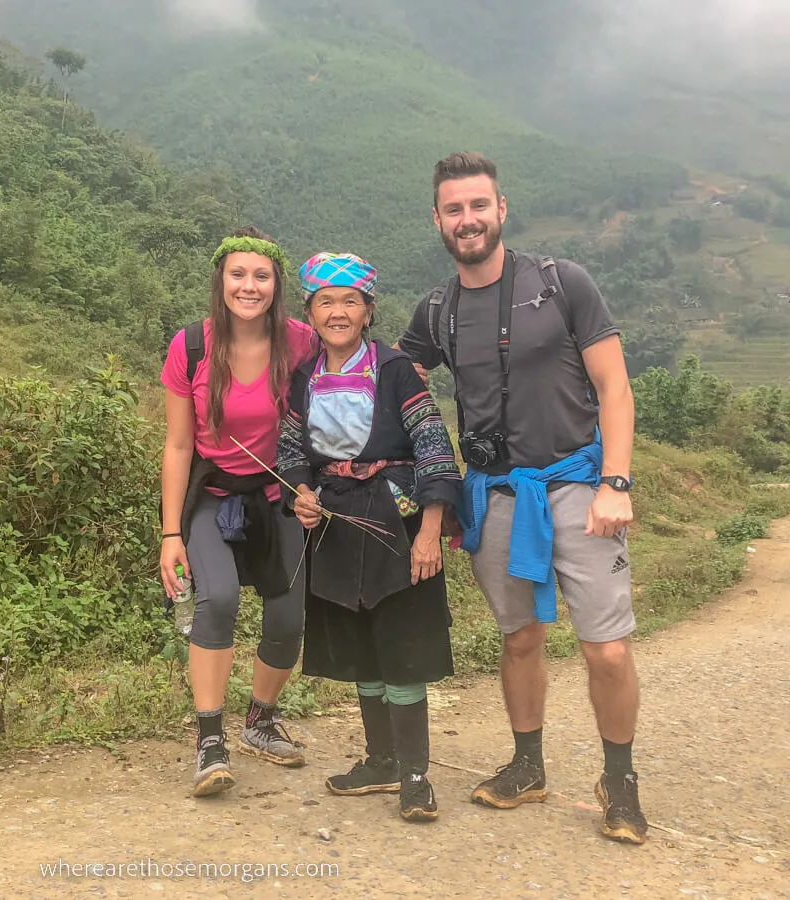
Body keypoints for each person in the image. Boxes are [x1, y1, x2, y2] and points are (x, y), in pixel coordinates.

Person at [396, 152, 647, 844]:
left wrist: (615, 483)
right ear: (438, 221)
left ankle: (619, 780)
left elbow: (615, 389)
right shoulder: (438, 310)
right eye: (454, 209)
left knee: (608, 650)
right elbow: (396, 380)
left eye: (479, 205)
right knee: (520, 639)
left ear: (501, 209)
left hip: (578, 485)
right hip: (496, 496)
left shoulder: (562, 284)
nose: (468, 219)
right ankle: (528, 764)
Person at [277, 252, 462, 822]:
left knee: (402, 647)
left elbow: (433, 446)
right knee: (362, 650)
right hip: (335, 528)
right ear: (309, 311)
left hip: (394, 525)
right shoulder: (304, 377)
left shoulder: (396, 369)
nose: (338, 311)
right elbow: (290, 455)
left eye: (349, 301)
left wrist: (428, 533)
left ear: (368, 310)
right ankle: (380, 760)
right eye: (325, 301)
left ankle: (414, 776)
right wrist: (300, 497)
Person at [160, 226, 318, 798]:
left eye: (261, 276)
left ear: (276, 285)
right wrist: (170, 532)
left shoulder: (300, 342)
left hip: (278, 494)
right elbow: (179, 446)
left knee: (288, 618)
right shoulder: (192, 347)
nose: (249, 286)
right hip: (214, 494)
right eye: (237, 274)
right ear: (220, 279)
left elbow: (349, 376)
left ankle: (260, 720)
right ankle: (210, 739)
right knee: (218, 598)